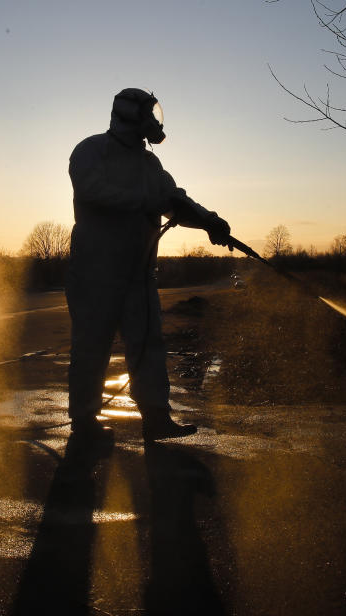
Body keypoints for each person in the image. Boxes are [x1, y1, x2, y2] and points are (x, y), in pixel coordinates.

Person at [67, 88, 233, 442]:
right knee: (91, 346)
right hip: (95, 273)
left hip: (138, 274)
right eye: (148, 114)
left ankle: (156, 417)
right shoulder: (90, 151)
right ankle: (84, 422)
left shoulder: (149, 164)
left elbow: (173, 199)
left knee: (148, 344)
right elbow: (93, 190)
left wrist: (209, 221)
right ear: (131, 116)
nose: (153, 122)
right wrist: (143, 202)